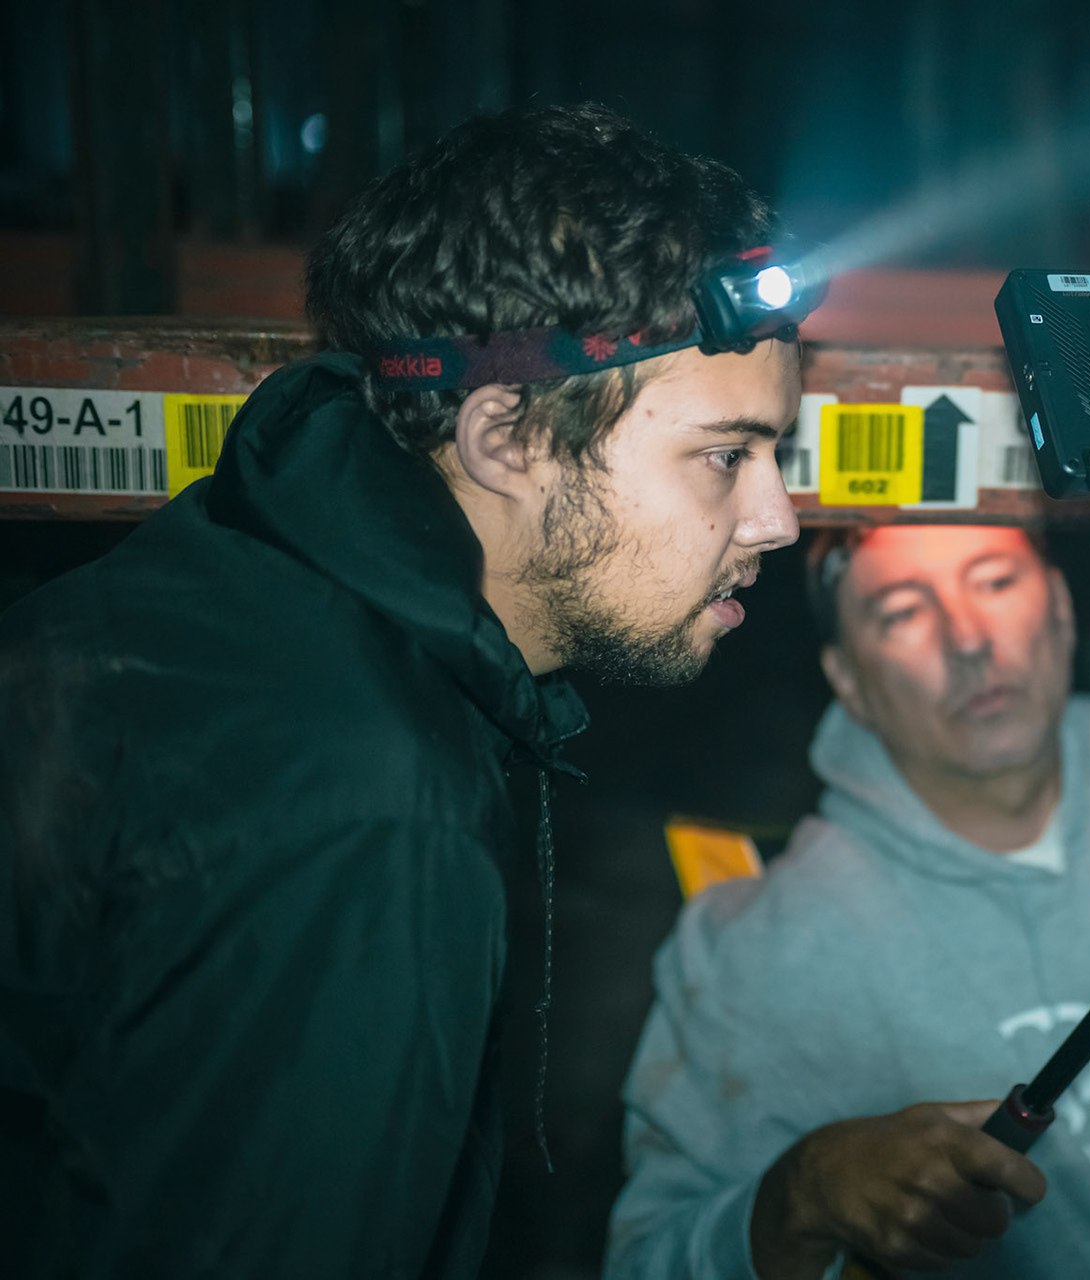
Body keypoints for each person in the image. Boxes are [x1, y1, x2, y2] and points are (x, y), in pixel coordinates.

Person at [0, 104, 803, 1278]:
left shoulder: (243, 572)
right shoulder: (367, 803)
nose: (777, 518)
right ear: (507, 438)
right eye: (726, 456)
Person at [605, 524, 1090, 1280]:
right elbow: (648, 1258)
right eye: (904, 612)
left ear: (1062, 608)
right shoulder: (757, 950)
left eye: (995, 582)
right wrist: (803, 1191)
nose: (968, 639)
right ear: (848, 680)